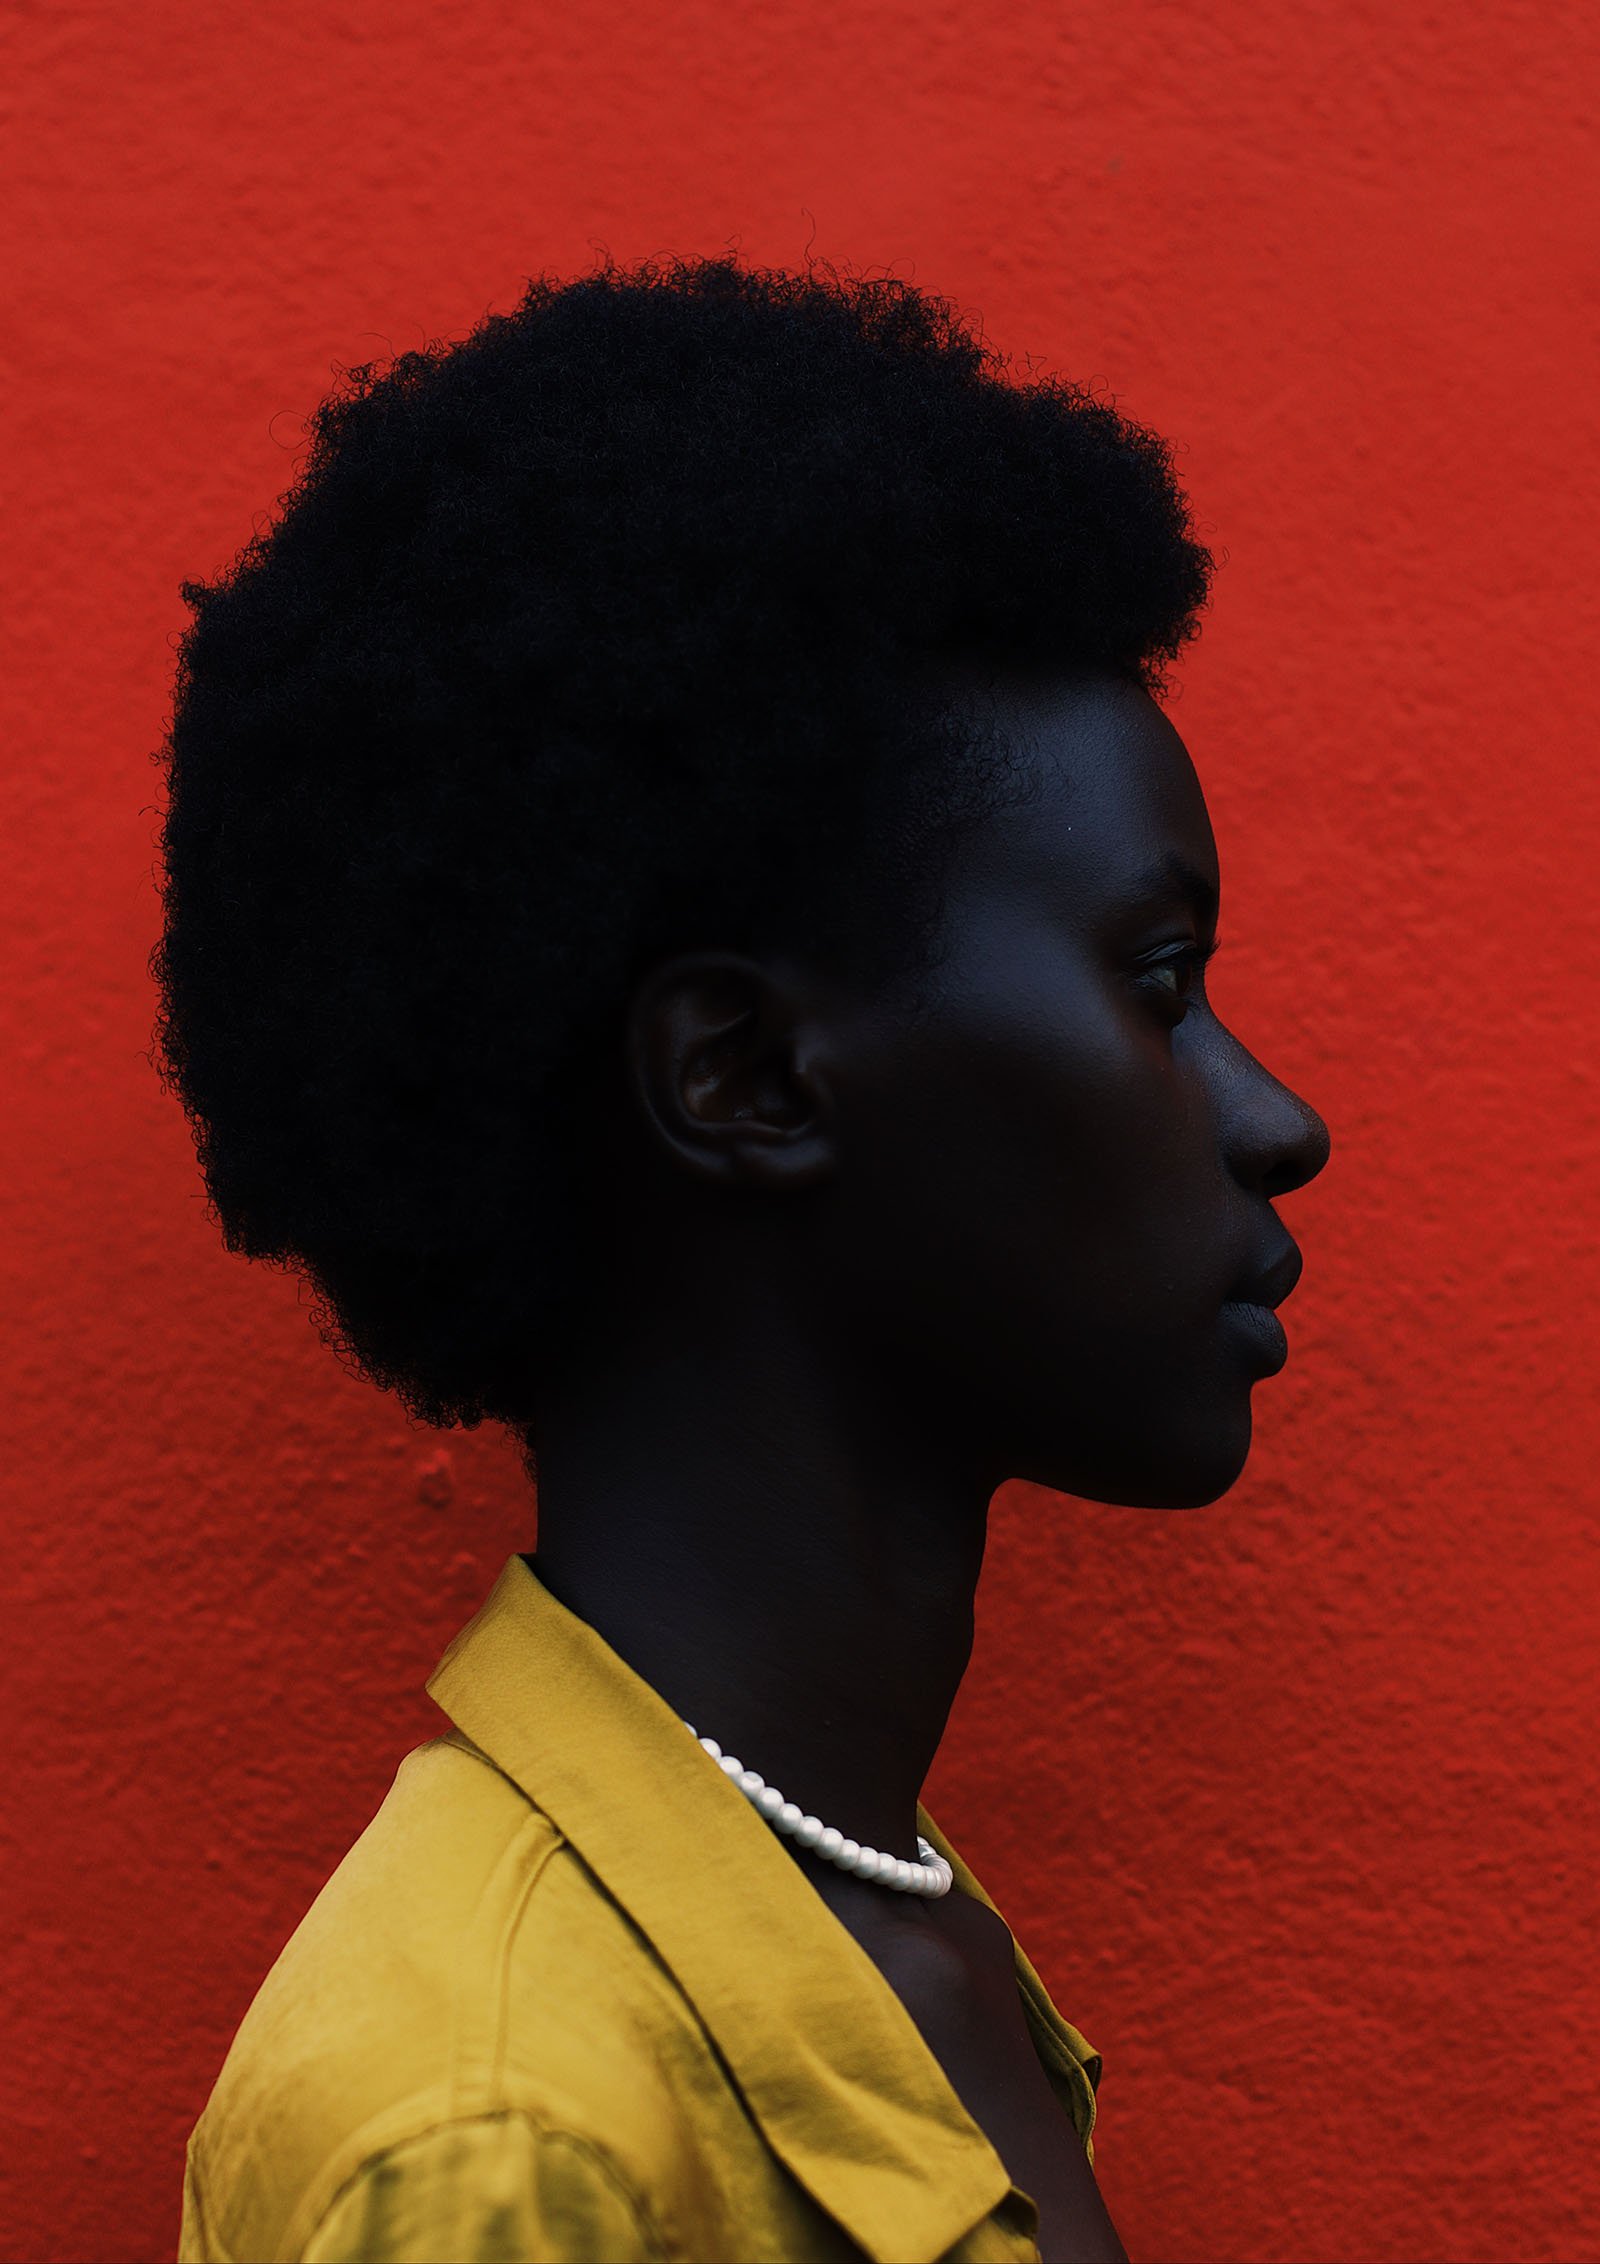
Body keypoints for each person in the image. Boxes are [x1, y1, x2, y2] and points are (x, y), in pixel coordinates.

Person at [154, 253, 1331, 2264]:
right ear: (747, 1074)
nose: (1267, 1116)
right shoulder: (499, 2139)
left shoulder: (880, 1921)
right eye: (1154, 981)